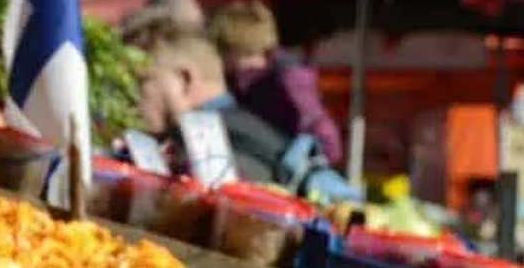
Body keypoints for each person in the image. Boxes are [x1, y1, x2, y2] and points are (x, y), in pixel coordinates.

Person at [126, 31, 358, 199]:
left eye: (143, 81)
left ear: (185, 79)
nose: (134, 98)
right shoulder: (248, 125)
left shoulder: (207, 142)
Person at [206, 1, 345, 165]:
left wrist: (297, 159)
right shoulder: (235, 81)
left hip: (284, 169)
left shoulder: (288, 79)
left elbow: (325, 138)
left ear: (230, 45)